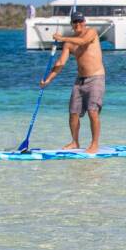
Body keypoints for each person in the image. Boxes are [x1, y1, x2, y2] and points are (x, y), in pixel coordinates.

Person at [40, 12, 105, 153]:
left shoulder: (91, 33)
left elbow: (83, 42)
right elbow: (61, 62)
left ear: (84, 22)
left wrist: (62, 38)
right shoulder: (69, 44)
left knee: (92, 111)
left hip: (96, 78)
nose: (78, 24)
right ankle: (75, 142)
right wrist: (48, 80)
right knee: (73, 113)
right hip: (79, 80)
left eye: (80, 21)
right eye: (75, 22)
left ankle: (94, 144)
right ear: (72, 24)